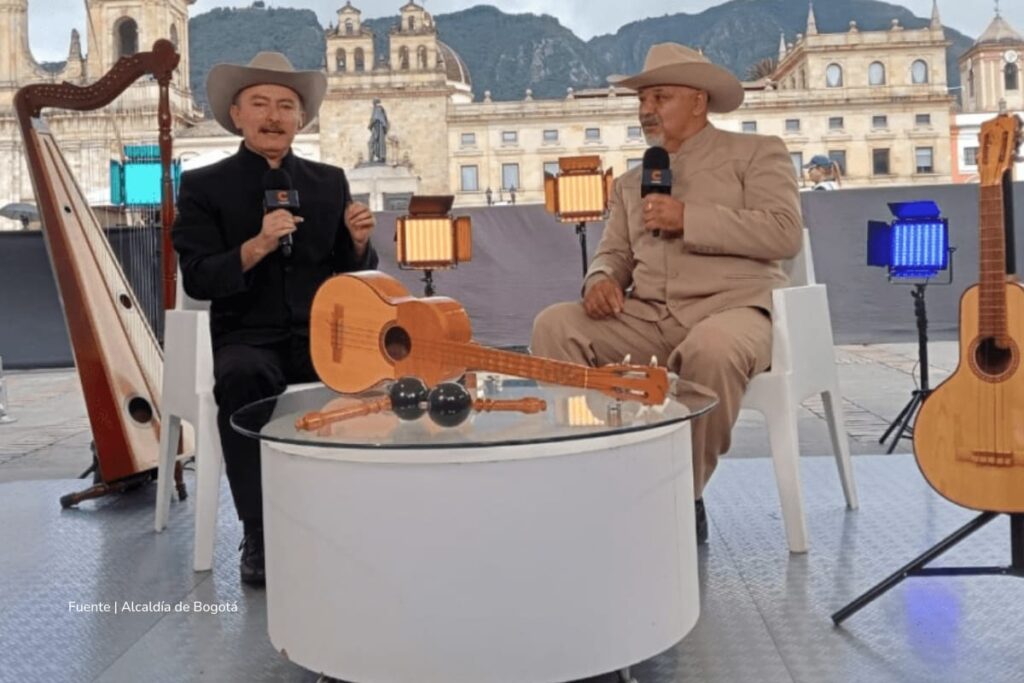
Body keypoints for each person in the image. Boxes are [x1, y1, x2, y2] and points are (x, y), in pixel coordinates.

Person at [530, 43, 802, 544]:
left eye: (660, 97)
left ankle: (681, 494)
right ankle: (597, 476)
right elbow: (613, 254)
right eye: (643, 100)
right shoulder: (633, 182)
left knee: (710, 350)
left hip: (734, 309)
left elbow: (785, 234)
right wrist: (601, 281)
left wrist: (689, 219)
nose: (646, 109)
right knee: (555, 325)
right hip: (649, 316)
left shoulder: (757, 154)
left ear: (698, 101)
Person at [172, 52, 378, 585]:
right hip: (248, 338)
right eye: (260, 103)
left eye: (286, 105)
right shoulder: (203, 186)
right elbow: (198, 277)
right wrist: (255, 247)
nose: (274, 115)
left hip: (320, 335)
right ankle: (259, 532)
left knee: (380, 372)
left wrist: (358, 244)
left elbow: (351, 274)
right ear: (236, 114)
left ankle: (364, 517)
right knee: (242, 378)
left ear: (301, 119)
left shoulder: (329, 181)